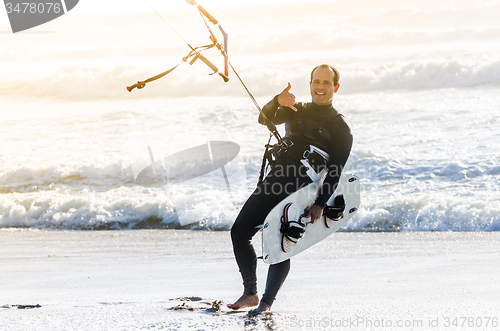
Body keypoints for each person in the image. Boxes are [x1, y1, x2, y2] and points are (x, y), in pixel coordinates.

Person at [228, 64, 353, 312]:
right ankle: (250, 293)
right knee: (239, 232)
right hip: (274, 181)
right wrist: (277, 100)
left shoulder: (341, 128)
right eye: (317, 81)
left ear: (335, 87)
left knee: (279, 246)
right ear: (310, 84)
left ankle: (265, 303)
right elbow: (265, 118)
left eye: (327, 83)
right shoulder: (296, 109)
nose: (320, 87)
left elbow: (335, 171)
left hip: (300, 190)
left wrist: (319, 204)